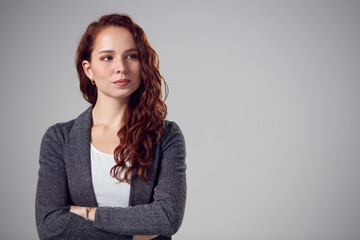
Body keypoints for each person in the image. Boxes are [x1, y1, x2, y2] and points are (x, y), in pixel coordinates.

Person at [35, 13, 186, 240]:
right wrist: (135, 236)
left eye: (131, 56)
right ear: (88, 70)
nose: (121, 68)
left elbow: (167, 217)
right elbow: (50, 225)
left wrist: (87, 213)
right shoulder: (59, 139)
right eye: (107, 57)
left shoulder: (166, 136)